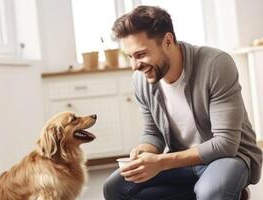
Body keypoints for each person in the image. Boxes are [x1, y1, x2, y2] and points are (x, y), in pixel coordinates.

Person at [103, 5, 262, 200]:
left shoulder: (216, 64)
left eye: (141, 54)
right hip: (181, 162)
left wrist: (160, 162)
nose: (135, 66)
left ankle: (222, 189)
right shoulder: (142, 79)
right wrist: (145, 151)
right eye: (130, 57)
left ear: (168, 41)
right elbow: (153, 132)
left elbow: (225, 144)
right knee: (114, 187)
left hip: (228, 158)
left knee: (213, 191)